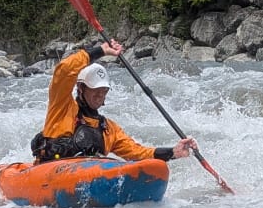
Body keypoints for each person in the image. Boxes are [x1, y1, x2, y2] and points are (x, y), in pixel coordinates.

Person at [32, 40, 195, 166]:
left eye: (104, 91)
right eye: (95, 90)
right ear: (81, 88)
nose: (99, 95)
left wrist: (172, 152)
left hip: (87, 174)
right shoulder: (62, 106)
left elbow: (137, 152)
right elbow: (64, 71)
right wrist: (100, 51)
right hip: (50, 170)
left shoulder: (108, 129)